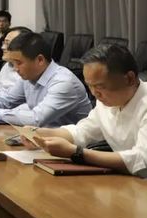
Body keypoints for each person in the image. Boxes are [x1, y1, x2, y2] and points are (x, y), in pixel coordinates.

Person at [23, 44, 147, 176]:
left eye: (100, 86)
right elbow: (83, 132)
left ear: (129, 78)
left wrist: (77, 153)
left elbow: (141, 159)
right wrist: (41, 134)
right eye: (90, 86)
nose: (94, 93)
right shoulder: (106, 101)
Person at [0, 32, 91, 127]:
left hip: (71, 149)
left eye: (19, 63)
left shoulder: (63, 82)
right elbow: (6, 99)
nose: (15, 69)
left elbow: (36, 118)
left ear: (40, 60)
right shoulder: (29, 77)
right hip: (40, 138)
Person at [0, 26, 31, 100]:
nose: (3, 47)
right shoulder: (7, 65)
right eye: (4, 43)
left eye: (7, 44)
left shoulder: (29, 73)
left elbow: (10, 101)